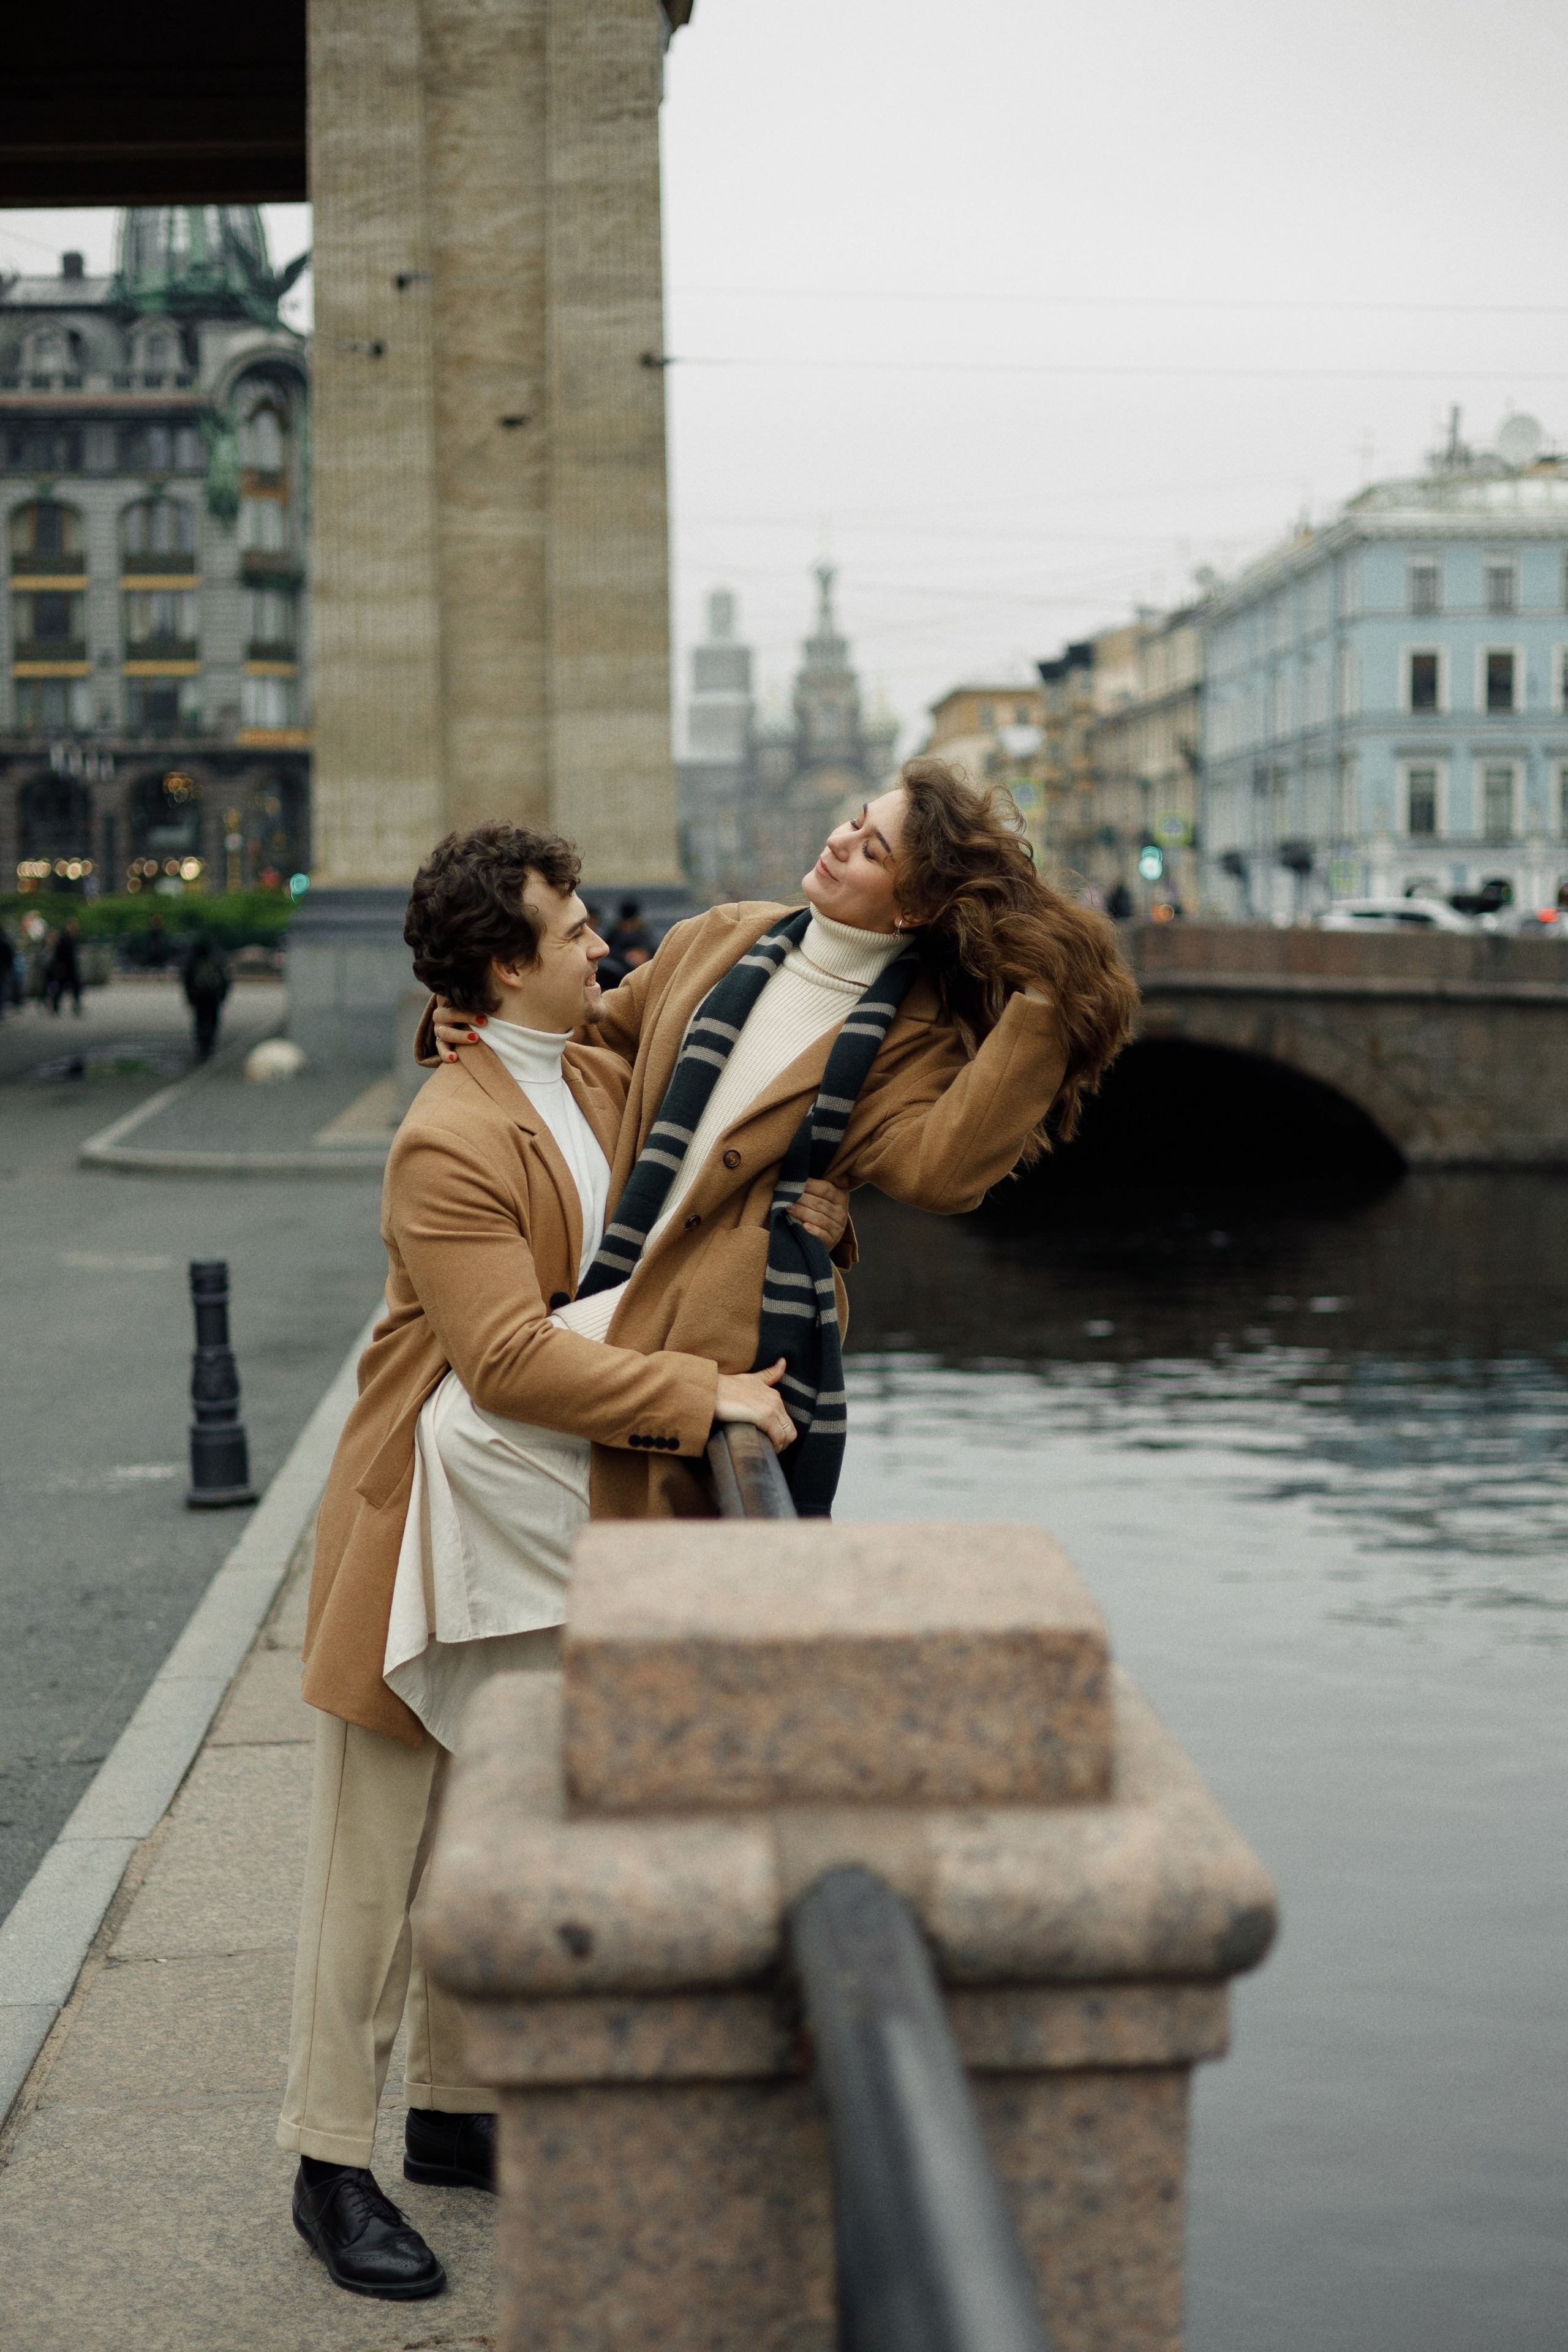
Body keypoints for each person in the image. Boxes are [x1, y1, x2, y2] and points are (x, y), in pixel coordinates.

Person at [281, 823, 849, 2301]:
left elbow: (695, 1067)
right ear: (499, 965)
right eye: (575, 928)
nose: (603, 942)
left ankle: (458, 2119)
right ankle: (326, 2164)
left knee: (490, 1829)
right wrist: (699, 1393)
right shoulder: (445, 1133)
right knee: (374, 1868)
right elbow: (508, 1354)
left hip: (534, 1517)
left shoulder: (592, 1070)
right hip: (427, 1520)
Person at [425, 755, 1139, 1520]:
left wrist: (1043, 998)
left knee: (480, 1435)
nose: (840, 841)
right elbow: (593, 1038)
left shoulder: (915, 1038)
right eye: (856, 821)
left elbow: (940, 1173)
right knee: (467, 1429)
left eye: (873, 851)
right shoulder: (721, 937)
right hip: (604, 1256)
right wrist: (472, 1015)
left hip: (714, 1311)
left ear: (914, 908)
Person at [181, 933, 230, 1060]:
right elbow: (225, 979)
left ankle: (202, 1046)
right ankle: (210, 1045)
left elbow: (187, 979)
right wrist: (223, 995)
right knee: (212, 1021)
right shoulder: (216, 959)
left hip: (199, 997)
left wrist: (190, 997)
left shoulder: (193, 959)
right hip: (213, 996)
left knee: (200, 1021)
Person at [42, 918, 83, 1016]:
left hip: (70, 968)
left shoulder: (72, 939)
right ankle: (56, 1007)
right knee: (59, 988)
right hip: (63, 968)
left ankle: (75, 1006)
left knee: (74, 988)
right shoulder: (63, 940)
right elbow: (59, 955)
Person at [606, 897, 653, 967]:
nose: (629, 925)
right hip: (619, 967)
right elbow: (608, 950)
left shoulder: (644, 932)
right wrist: (625, 956)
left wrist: (644, 953)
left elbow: (651, 947)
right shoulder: (615, 933)